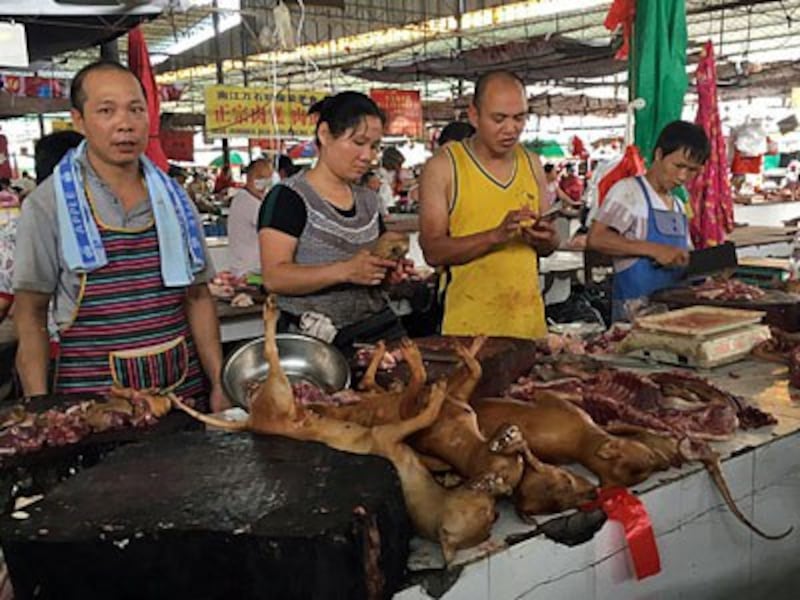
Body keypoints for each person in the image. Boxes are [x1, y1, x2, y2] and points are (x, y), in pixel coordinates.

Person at [12, 60, 229, 411]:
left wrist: (219, 381)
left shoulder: (175, 198)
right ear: (79, 120)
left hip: (181, 398)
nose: (125, 124)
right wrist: (40, 408)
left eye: (136, 109)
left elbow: (198, 297)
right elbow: (30, 313)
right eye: (106, 111)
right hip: (93, 407)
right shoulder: (48, 203)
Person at [258, 91, 407, 353]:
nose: (367, 156)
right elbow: (274, 277)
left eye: (374, 146)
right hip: (317, 340)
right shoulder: (288, 198)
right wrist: (345, 270)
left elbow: (369, 270)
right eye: (359, 142)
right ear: (325, 134)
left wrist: (386, 274)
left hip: (376, 332)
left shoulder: (369, 201)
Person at [418, 70, 559, 339]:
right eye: (499, 119)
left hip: (528, 327)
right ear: (474, 115)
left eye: (519, 118)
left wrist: (547, 238)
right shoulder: (444, 167)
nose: (511, 129)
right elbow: (433, 251)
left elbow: (547, 249)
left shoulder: (532, 164)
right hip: (468, 332)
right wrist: (494, 236)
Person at [586, 120, 709, 321]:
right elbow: (597, 238)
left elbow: (684, 255)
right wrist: (655, 250)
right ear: (659, 155)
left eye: (692, 170)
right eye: (678, 165)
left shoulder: (678, 205)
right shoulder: (628, 191)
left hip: (673, 310)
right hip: (634, 312)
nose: (682, 176)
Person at [228, 158, 274, 278]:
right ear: (249, 176)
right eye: (260, 176)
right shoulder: (246, 201)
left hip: (253, 270)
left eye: (268, 178)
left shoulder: (255, 200)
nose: (264, 182)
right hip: (248, 273)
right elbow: (273, 226)